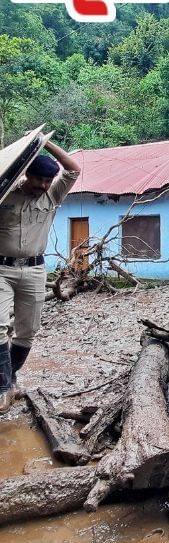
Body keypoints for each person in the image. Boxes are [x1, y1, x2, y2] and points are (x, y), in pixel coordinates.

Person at [0, 142, 80, 409]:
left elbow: (73, 169)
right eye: (39, 179)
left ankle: (9, 380)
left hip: (34, 270)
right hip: (2, 269)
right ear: (26, 175)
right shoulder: (5, 193)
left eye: (48, 180)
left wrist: (45, 143)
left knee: (27, 332)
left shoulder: (53, 196)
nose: (44, 185)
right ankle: (2, 388)